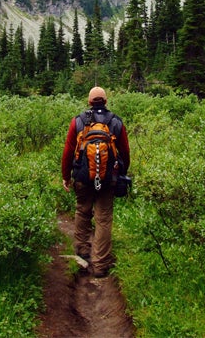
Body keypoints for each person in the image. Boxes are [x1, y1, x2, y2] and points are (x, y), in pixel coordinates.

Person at [61, 86, 131, 278]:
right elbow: (125, 152)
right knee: (103, 218)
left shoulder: (78, 121)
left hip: (82, 178)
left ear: (89, 102)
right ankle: (100, 264)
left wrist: (66, 176)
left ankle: (82, 251)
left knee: (82, 211)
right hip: (108, 180)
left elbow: (68, 152)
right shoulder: (116, 121)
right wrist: (121, 174)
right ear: (105, 101)